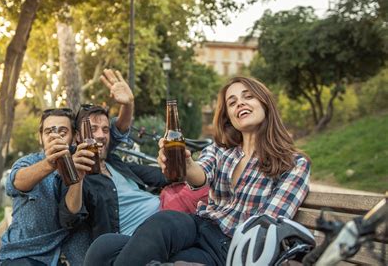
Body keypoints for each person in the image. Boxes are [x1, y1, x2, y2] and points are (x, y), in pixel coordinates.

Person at [83, 76, 311, 266]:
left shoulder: (293, 163)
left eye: (248, 96)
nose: (239, 103)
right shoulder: (222, 150)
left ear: (265, 103)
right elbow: (200, 174)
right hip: (197, 225)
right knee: (104, 246)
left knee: (163, 260)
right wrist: (184, 163)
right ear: (229, 117)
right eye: (232, 102)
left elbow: (267, 226)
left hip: (226, 247)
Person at [0, 69, 133, 266]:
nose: (55, 135)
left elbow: (113, 134)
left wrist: (127, 105)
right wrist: (51, 163)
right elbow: (16, 182)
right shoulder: (29, 162)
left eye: (62, 130)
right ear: (40, 137)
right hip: (24, 254)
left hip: (70, 248)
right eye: (49, 131)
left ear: (75, 137)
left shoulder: (84, 156)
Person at [58, 81, 171, 240]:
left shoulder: (114, 162)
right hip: (139, 239)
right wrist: (77, 177)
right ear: (77, 137)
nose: (100, 135)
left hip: (166, 215)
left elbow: (160, 175)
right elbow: (69, 219)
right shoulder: (76, 172)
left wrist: (180, 168)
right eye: (92, 129)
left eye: (105, 130)